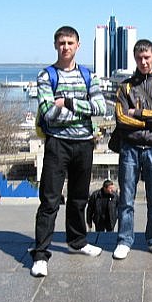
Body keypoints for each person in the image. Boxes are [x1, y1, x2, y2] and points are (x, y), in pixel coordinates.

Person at [31, 25, 107, 277]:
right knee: (50, 199)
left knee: (79, 197)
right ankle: (40, 254)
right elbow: (47, 112)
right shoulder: (46, 75)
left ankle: (78, 241)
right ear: (55, 45)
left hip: (84, 144)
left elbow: (101, 108)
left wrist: (67, 102)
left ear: (78, 45)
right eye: (62, 43)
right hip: (57, 144)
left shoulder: (88, 75)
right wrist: (81, 112)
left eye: (70, 43)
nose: (66, 47)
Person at [113, 39, 152, 260]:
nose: (144, 62)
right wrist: (150, 122)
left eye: (147, 57)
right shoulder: (125, 86)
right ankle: (124, 240)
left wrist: (138, 114)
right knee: (126, 198)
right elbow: (121, 118)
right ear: (135, 59)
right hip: (130, 147)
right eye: (139, 58)